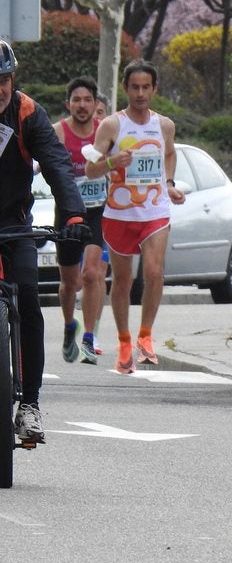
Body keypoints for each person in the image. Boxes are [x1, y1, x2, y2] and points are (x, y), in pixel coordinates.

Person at [0, 40, 89, 442]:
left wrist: (72, 213)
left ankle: (30, 405)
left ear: (12, 78)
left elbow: (56, 164)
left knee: (29, 300)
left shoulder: (27, 113)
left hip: (14, 224)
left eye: (3, 79)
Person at [84, 59, 183, 376]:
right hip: (119, 214)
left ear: (154, 89)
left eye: (146, 87)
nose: (140, 93)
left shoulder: (164, 125)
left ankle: (146, 336)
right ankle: (125, 342)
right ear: (125, 88)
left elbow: (169, 152)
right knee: (123, 282)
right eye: (135, 87)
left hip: (155, 211)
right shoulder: (112, 125)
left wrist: (168, 184)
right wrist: (113, 161)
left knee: (154, 271)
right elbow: (90, 169)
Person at [53, 76, 109, 365]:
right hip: (68, 212)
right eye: (77, 100)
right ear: (68, 104)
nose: (82, 105)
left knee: (91, 274)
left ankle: (88, 337)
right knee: (70, 282)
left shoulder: (105, 131)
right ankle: (68, 326)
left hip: (99, 211)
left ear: (96, 104)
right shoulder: (58, 133)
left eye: (88, 100)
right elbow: (42, 163)